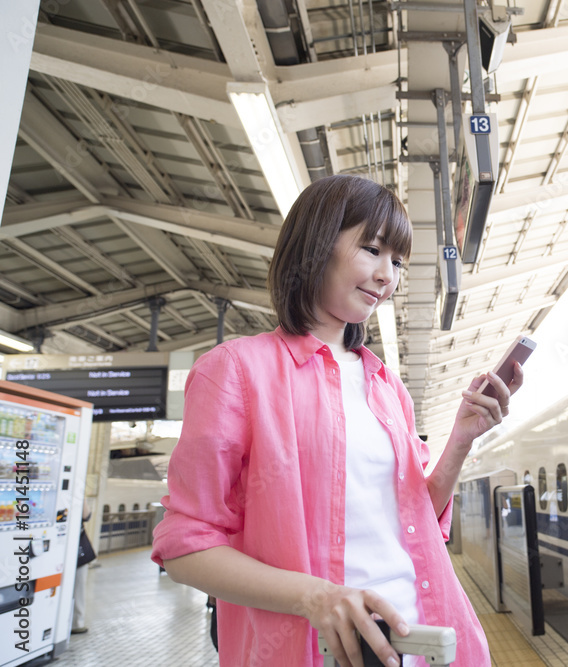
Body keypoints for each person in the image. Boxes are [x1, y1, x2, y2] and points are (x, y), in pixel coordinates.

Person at [151, 175, 522, 667]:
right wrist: (318, 597)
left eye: (397, 262)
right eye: (371, 249)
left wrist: (460, 440)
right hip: (314, 651)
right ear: (317, 244)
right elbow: (185, 545)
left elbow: (414, 517)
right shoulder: (236, 371)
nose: (387, 275)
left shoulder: (386, 386)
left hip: (429, 637)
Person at [73, 497, 95, 634]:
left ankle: (75, 622)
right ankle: (76, 623)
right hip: (77, 550)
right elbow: (86, 515)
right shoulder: (77, 492)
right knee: (78, 587)